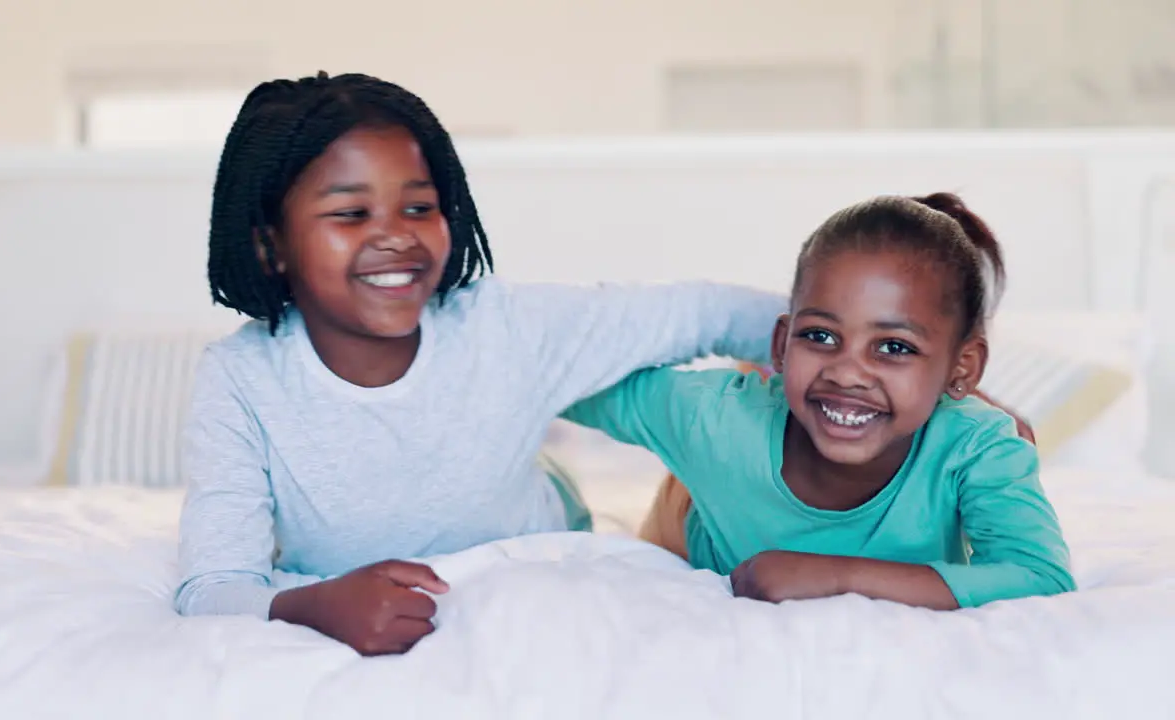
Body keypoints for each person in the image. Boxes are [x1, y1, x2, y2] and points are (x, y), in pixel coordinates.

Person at [174, 71, 787, 655]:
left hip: (546, 532)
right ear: (269, 243)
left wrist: (829, 344)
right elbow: (214, 588)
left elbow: (698, 314)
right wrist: (314, 605)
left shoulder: (502, 324)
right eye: (351, 214)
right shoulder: (240, 380)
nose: (395, 236)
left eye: (418, 208)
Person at [563, 193, 1076, 610]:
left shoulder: (979, 445)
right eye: (821, 335)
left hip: (908, 403)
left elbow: (1041, 576)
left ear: (962, 369)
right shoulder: (713, 418)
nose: (850, 371)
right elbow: (561, 377)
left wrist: (836, 576)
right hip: (696, 501)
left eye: (894, 346)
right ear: (783, 342)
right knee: (744, 422)